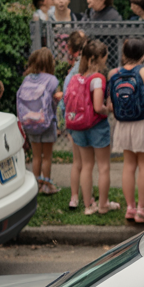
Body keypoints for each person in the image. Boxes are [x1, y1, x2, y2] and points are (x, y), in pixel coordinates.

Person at [108, 38, 144, 225]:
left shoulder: (113, 73)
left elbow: (111, 104)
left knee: (128, 164)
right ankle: (142, 210)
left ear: (123, 54)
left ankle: (130, 208)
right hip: (143, 122)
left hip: (123, 124)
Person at [65, 39, 119, 216]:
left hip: (78, 125)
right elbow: (97, 107)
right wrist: (108, 109)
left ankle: (89, 205)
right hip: (96, 126)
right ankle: (103, 204)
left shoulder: (76, 77)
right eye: (105, 57)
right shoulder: (97, 78)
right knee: (103, 167)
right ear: (99, 58)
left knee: (86, 165)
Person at [17, 49, 62, 195]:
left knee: (36, 156)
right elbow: (57, 97)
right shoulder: (52, 80)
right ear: (49, 63)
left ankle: (35, 185)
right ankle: (47, 185)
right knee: (47, 156)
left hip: (30, 122)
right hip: (47, 123)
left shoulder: (27, 79)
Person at [59, 30, 87, 210]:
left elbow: (64, 102)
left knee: (77, 162)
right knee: (88, 163)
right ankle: (89, 198)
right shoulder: (86, 69)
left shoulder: (70, 74)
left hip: (73, 120)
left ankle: (74, 198)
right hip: (88, 121)